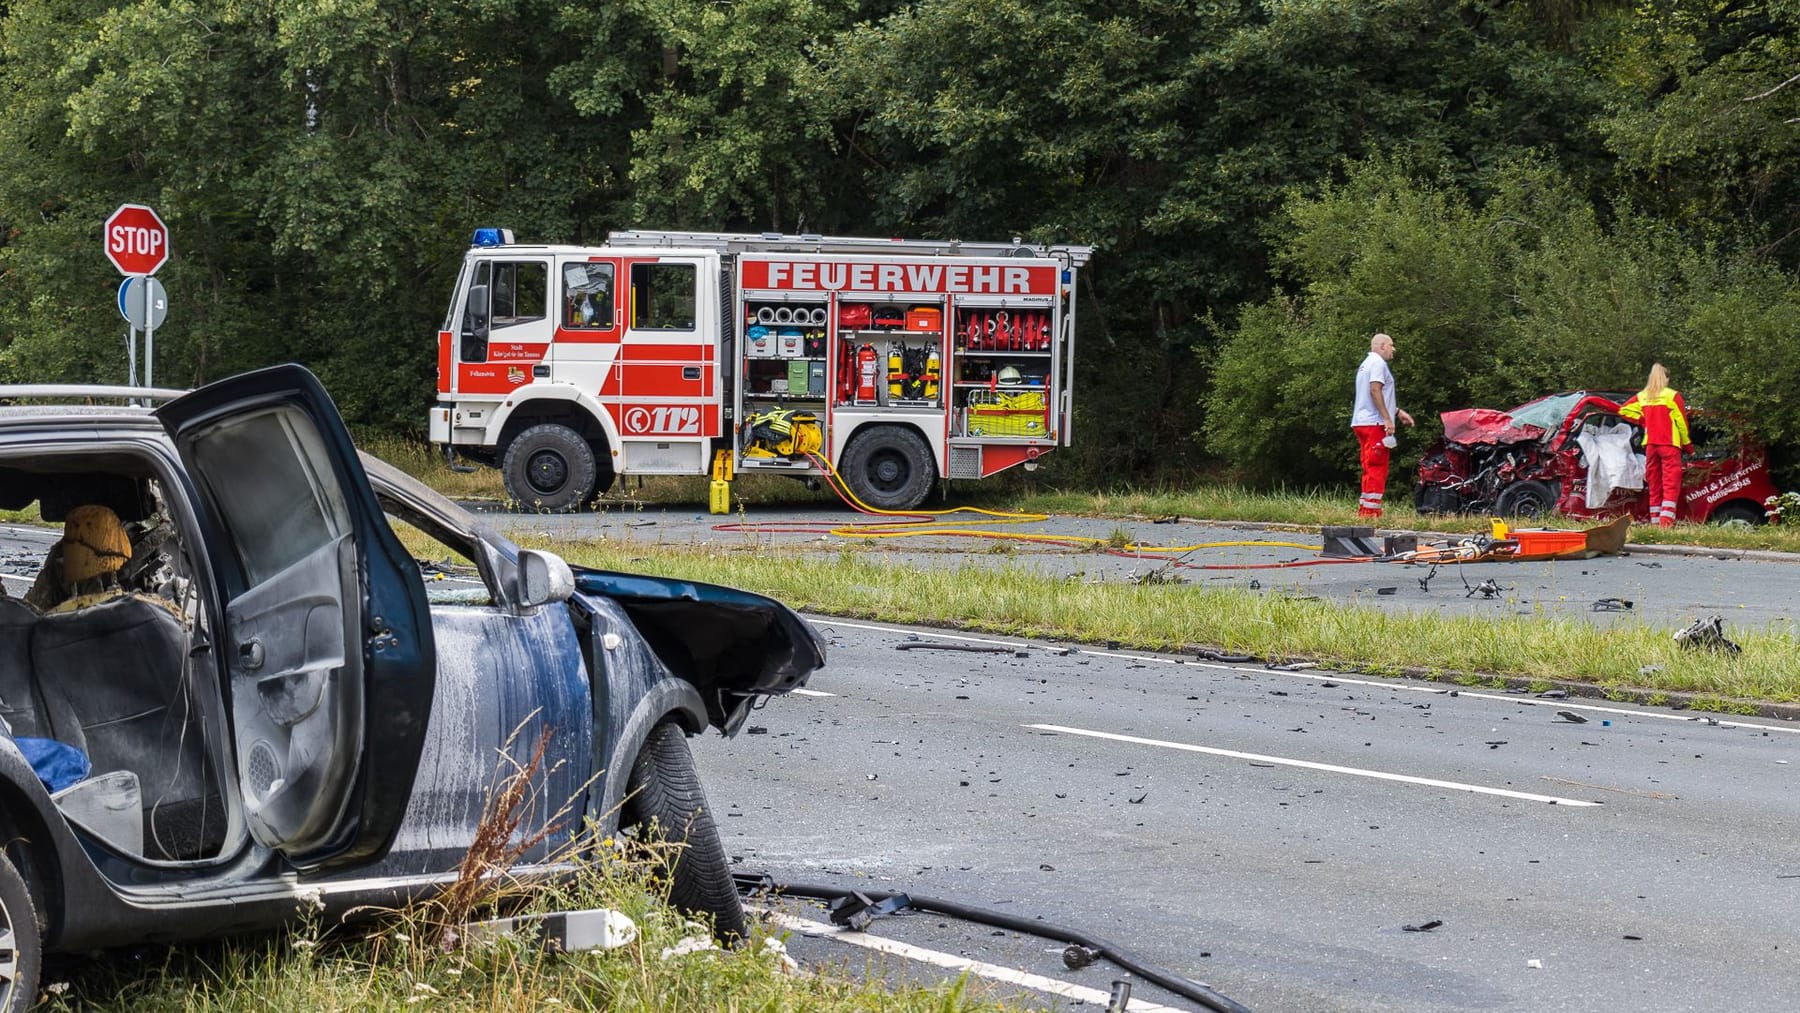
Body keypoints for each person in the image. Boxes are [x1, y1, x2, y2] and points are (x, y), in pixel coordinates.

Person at [1618, 362, 1693, 527]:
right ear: (1665, 378)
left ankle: (1655, 521)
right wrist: (1688, 445)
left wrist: (1642, 419)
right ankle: (1666, 524)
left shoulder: (1644, 396)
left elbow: (1623, 410)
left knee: (1654, 484)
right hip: (1669, 444)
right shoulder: (1672, 396)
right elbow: (1681, 423)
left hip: (1651, 445)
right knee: (1670, 483)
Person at [1350, 332, 1414, 519]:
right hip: (1374, 423)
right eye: (1391, 345)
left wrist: (1397, 412)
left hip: (1362, 422)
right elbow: (1375, 390)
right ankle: (1372, 512)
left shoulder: (1365, 364)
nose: (1393, 349)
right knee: (1377, 466)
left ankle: (1365, 510)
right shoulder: (1378, 363)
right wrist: (1387, 418)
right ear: (1382, 346)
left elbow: (1379, 395)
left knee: (1368, 464)